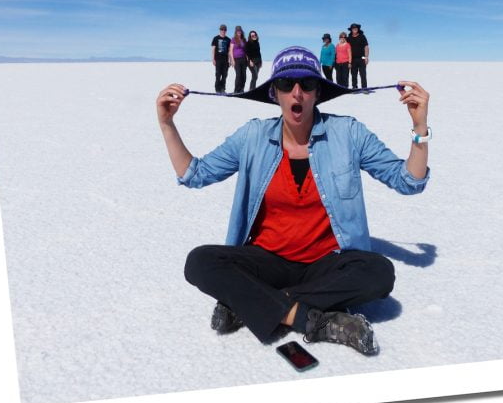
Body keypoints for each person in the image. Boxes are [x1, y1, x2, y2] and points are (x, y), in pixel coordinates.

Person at [156, 46, 431, 355]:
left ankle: (249, 303)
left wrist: (419, 128)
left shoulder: (348, 133)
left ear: (318, 92)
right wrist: (167, 124)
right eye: (286, 85)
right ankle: (308, 318)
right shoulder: (253, 137)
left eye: (307, 84)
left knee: (379, 272)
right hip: (266, 260)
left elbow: (408, 181)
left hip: (326, 264)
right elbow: (195, 174)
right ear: (275, 93)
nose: (296, 93)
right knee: (200, 262)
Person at [348, 23, 369, 90]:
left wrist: (366, 57)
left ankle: (364, 88)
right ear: (351, 29)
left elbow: (366, 47)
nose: (354, 29)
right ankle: (354, 87)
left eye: (356, 28)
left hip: (361, 58)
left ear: (358, 29)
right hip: (353, 59)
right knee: (353, 74)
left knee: (363, 74)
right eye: (353, 28)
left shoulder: (362, 36)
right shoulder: (349, 38)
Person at [211, 24, 231, 94]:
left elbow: (229, 51)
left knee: (224, 75)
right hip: (218, 60)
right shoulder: (215, 38)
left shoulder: (228, 39)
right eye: (222, 29)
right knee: (218, 75)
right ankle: (217, 89)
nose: (223, 31)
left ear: (226, 31)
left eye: (224, 30)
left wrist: (230, 60)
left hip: (225, 60)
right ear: (220, 30)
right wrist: (213, 59)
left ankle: (223, 88)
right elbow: (213, 49)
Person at [229, 26, 249, 95]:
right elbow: (231, 51)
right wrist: (232, 60)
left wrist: (247, 59)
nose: (239, 32)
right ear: (236, 32)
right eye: (237, 31)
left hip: (243, 59)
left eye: (240, 31)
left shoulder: (244, 39)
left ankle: (241, 89)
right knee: (238, 75)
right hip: (236, 59)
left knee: (244, 75)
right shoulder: (233, 39)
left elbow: (246, 50)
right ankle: (236, 90)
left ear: (241, 31)